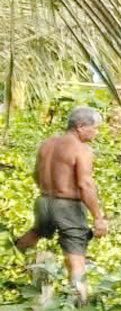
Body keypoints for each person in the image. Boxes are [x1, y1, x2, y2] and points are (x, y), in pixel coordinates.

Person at [14, 106, 109, 291]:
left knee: (36, 232)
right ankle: (79, 300)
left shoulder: (47, 144)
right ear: (81, 126)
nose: (96, 133)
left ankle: (9, 262)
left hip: (43, 202)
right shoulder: (82, 149)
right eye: (95, 128)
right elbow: (85, 185)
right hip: (67, 206)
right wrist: (98, 217)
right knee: (75, 253)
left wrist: (51, 191)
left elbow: (36, 174)